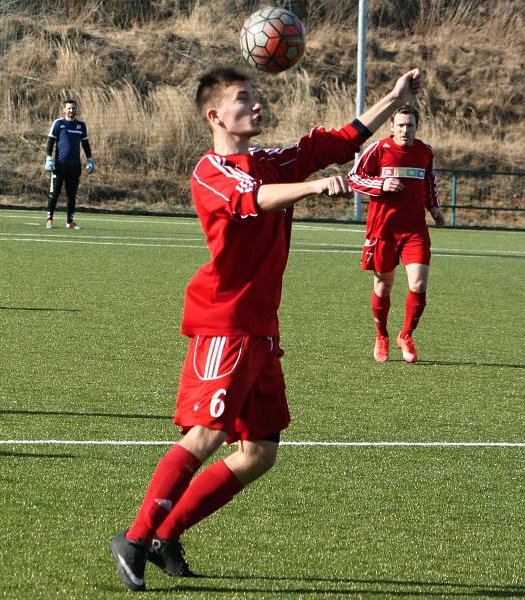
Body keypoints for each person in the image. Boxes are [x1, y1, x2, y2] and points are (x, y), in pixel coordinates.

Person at [109, 66, 424, 592]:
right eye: (243, 99)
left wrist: (393, 101)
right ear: (215, 115)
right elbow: (251, 200)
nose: (256, 105)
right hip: (225, 322)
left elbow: (340, 140)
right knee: (206, 434)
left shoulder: (270, 160)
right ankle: (136, 538)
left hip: (261, 329)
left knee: (259, 452)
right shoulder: (210, 171)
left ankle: (166, 534)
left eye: (256, 97)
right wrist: (311, 186)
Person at [347, 105, 444, 364]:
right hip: (383, 230)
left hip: (414, 230)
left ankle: (406, 335)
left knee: (419, 284)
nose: (404, 129)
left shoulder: (424, 152)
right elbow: (354, 177)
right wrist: (381, 183)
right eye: (400, 125)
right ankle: (382, 335)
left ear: (416, 127)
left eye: (409, 125)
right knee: (383, 286)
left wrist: (434, 208)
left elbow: (428, 182)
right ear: (392, 127)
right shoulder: (379, 149)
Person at [44, 99, 95, 230]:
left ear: (76, 109)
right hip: (60, 166)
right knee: (54, 193)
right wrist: (49, 158)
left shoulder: (81, 126)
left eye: (73, 108)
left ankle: (70, 222)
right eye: (69, 108)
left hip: (74, 166)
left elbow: (85, 144)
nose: (71, 110)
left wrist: (89, 159)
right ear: (64, 109)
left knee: (71, 195)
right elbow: (50, 142)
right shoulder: (58, 123)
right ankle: (50, 219)